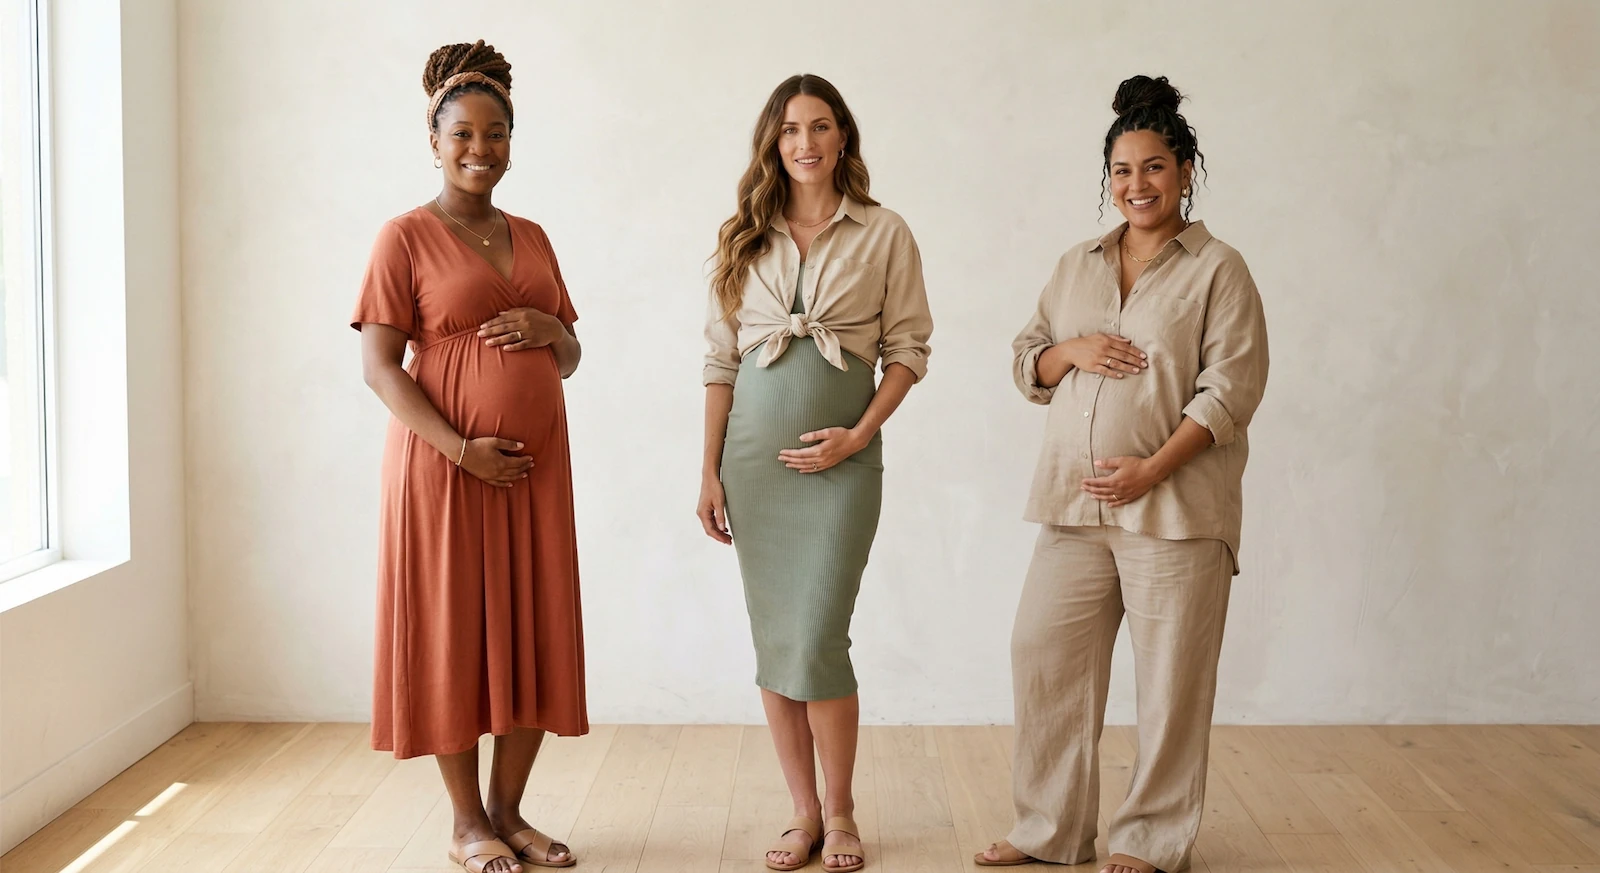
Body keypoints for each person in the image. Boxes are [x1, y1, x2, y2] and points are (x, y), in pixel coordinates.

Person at [976, 75, 1269, 873]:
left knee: (1171, 679)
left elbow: (1231, 392)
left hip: (1177, 510)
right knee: (1042, 651)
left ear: (1184, 172)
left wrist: (1151, 470)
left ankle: (1150, 839)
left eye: (1153, 168)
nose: (1137, 185)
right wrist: (1068, 350)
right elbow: (1026, 359)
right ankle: (1050, 829)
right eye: (1122, 170)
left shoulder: (1219, 269)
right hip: (1073, 505)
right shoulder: (1077, 264)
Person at [352, 40, 586, 873]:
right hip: (445, 471)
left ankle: (509, 813)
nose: (480, 149)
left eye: (495, 133)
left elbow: (569, 356)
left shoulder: (534, 236)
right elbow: (380, 366)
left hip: (533, 474)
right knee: (454, 632)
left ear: (512, 143)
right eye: (463, 134)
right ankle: (465, 823)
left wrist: (552, 329)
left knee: (532, 628)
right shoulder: (404, 237)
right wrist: (460, 449)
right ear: (435, 141)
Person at [697, 73, 933, 873]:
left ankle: (842, 812)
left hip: (845, 466)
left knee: (820, 635)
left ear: (842, 138)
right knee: (777, 638)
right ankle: (802, 811)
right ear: (774, 140)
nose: (805, 142)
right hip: (754, 467)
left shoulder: (884, 231)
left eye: (821, 126)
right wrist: (708, 471)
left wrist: (858, 435)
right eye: (791, 128)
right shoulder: (743, 234)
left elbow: (908, 349)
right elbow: (720, 363)